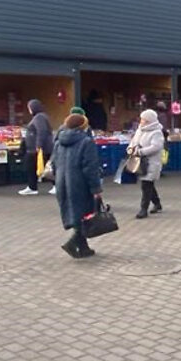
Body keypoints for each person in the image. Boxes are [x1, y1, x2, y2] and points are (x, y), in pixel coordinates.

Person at [53, 110, 103, 259]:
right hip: (80, 184)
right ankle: (73, 243)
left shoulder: (58, 142)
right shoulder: (86, 142)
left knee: (75, 213)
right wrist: (96, 188)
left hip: (63, 182)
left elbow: (55, 163)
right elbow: (90, 168)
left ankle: (83, 247)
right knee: (85, 214)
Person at [127, 107, 166, 218]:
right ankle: (157, 204)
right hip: (140, 162)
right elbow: (133, 141)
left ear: (149, 120)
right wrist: (130, 149)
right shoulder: (140, 130)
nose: (141, 121)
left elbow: (156, 147)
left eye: (143, 119)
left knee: (146, 185)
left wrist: (140, 152)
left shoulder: (156, 132)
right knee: (148, 185)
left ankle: (143, 209)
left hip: (151, 163)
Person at [18, 100, 55, 196]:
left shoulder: (39, 118)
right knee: (44, 167)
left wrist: (38, 145)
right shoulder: (40, 117)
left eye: (29, 107)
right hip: (38, 148)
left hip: (37, 149)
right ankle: (33, 186)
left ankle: (32, 187)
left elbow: (41, 131)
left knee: (33, 167)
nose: (29, 110)